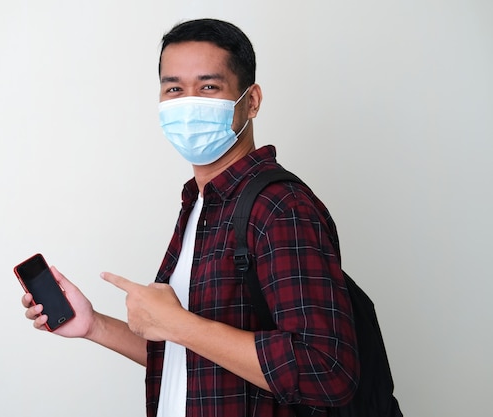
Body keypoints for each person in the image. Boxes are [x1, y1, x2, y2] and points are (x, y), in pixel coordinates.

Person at [21, 18, 359, 417]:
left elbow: (329, 370)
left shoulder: (280, 207)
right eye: (175, 88)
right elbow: (191, 362)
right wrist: (94, 325)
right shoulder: (200, 202)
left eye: (209, 87)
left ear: (251, 101)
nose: (188, 102)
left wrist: (179, 324)